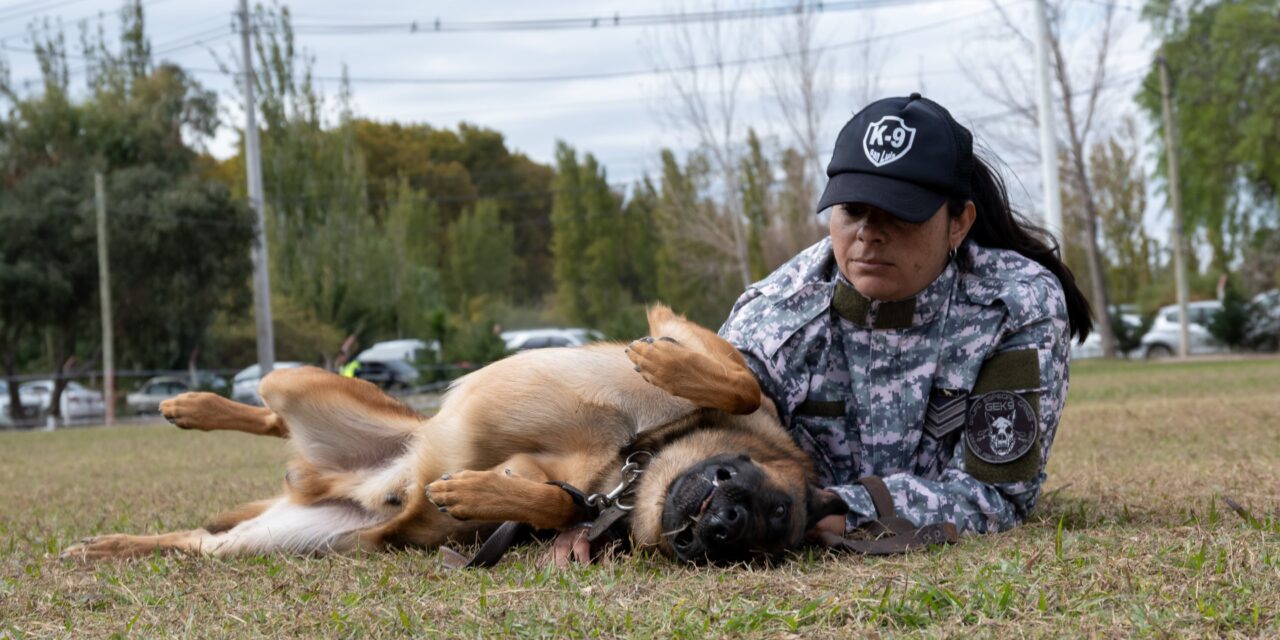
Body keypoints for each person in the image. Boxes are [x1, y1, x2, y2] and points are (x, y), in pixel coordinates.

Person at [718, 93, 1092, 539]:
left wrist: (823, 512)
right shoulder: (776, 315)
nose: (870, 233)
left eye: (899, 212)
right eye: (853, 210)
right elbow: (713, 454)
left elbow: (994, 495)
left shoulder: (1014, 304)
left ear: (959, 222)